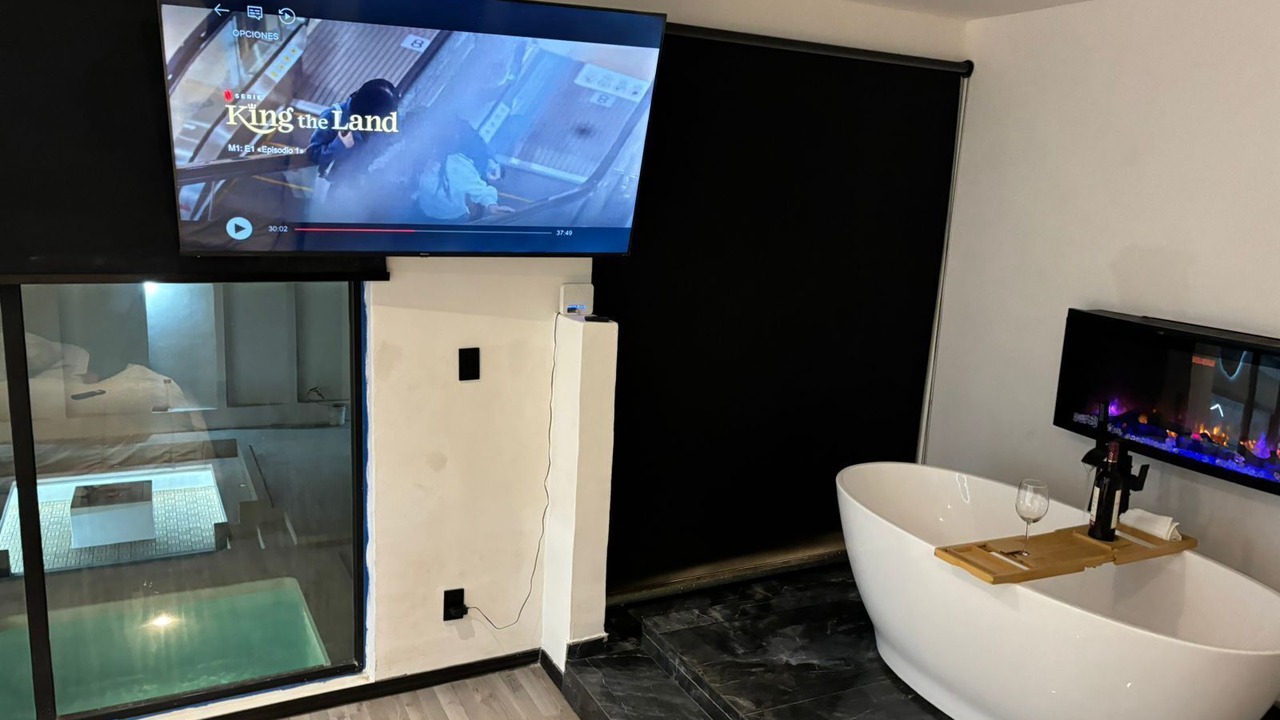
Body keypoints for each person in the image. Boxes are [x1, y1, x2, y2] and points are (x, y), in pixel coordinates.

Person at [306, 78, 400, 183]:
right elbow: (313, 156)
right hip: (335, 187)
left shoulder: (389, 117)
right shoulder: (333, 116)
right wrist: (339, 145)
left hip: (369, 185)